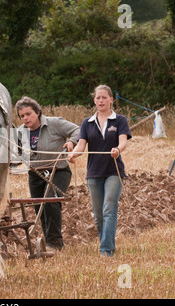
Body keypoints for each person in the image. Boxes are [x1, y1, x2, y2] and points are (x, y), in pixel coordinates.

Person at [68, 85, 132, 257]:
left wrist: (117, 150)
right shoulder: (87, 123)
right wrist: (73, 154)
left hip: (113, 171)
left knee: (109, 209)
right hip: (94, 173)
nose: (101, 101)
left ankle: (106, 250)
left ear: (111, 99)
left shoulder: (119, 120)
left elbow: (123, 142)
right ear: (94, 100)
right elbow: (81, 146)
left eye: (104, 97)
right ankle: (107, 243)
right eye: (98, 98)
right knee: (98, 215)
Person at [16, 96, 80, 254]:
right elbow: (14, 151)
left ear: (37, 112)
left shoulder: (55, 123)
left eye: (28, 114)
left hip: (58, 170)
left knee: (50, 200)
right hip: (35, 173)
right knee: (39, 207)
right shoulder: (19, 132)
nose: (25, 118)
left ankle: (55, 242)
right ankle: (49, 241)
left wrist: (71, 142)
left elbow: (78, 130)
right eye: (22, 116)